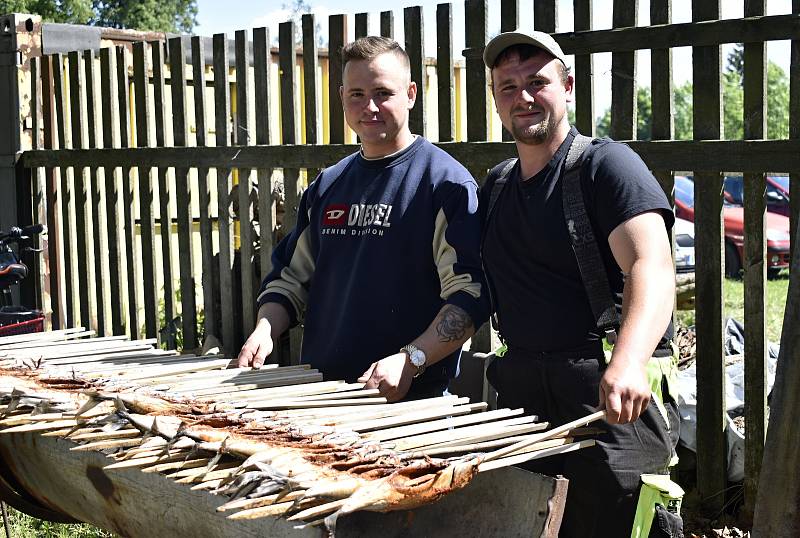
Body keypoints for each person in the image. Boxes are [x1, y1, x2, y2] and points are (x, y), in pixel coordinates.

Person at [480, 30, 681, 537]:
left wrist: (629, 360)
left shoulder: (606, 166)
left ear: (567, 86)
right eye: (508, 86)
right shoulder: (498, 186)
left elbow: (651, 267)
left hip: (610, 400)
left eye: (537, 82)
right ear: (496, 100)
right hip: (524, 402)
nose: (523, 96)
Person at [237, 36, 488, 402]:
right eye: (357, 94)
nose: (369, 106)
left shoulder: (445, 184)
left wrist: (411, 359)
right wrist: (264, 329)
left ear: (411, 94)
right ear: (341, 98)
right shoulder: (328, 185)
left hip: (410, 405)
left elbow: (469, 296)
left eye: (383, 93)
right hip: (320, 397)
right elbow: (288, 281)